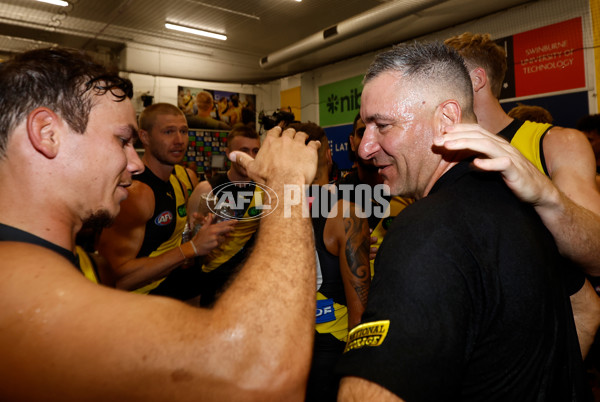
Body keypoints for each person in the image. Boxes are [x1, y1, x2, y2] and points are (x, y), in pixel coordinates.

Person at [0, 46, 320, 401]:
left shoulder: (73, 263)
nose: (134, 164)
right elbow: (261, 374)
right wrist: (287, 187)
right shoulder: (15, 284)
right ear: (47, 133)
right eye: (122, 141)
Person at [336, 41, 589, 401]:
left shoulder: (428, 231)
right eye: (366, 127)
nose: (364, 148)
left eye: (383, 126)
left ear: (447, 119)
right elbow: (588, 310)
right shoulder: (520, 201)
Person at [444, 32, 600, 357]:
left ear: (476, 80)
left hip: (544, 334)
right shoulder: (440, 156)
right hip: (471, 333)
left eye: (445, 77)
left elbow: (596, 253)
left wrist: (544, 197)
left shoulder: (555, 143)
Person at [96, 103, 235, 300]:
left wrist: (198, 230)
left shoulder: (185, 176)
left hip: (178, 285)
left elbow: (173, 233)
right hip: (141, 302)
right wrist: (193, 247)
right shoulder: (136, 193)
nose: (179, 140)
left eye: (183, 131)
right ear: (145, 137)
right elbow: (116, 280)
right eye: (168, 132)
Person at [287, 122, 370, 402]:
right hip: (330, 348)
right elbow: (360, 312)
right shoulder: (347, 213)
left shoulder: (274, 210)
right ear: (328, 155)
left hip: (286, 346)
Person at [186, 124, 262, 306]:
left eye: (255, 151)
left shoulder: (266, 189)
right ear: (229, 153)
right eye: (243, 151)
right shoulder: (207, 189)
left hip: (252, 282)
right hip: (214, 280)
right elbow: (189, 241)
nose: (249, 157)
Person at [340, 113, 413, 273]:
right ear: (352, 143)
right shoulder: (335, 197)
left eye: (380, 131)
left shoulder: (410, 194)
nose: (369, 142)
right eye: (362, 133)